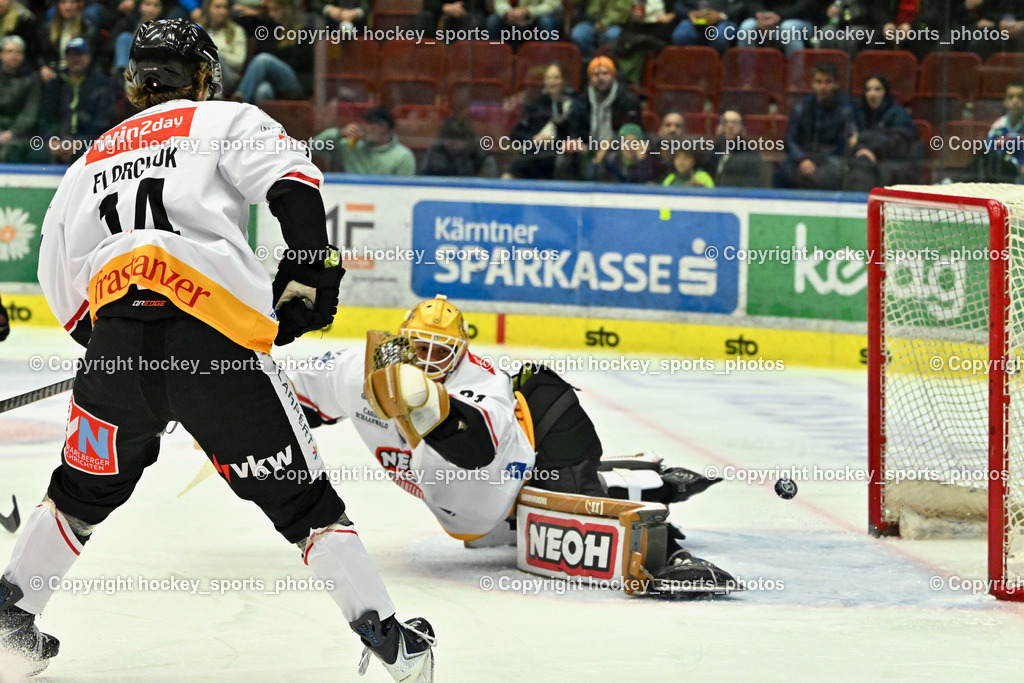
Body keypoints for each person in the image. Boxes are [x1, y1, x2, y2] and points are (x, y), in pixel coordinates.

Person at [0, 19, 435, 682]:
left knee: (77, 492)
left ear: (134, 81)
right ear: (203, 75)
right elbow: (294, 182)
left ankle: (10, 622)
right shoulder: (226, 119)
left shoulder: (88, 161)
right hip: (216, 346)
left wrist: (126, 351)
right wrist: (310, 268)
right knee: (304, 505)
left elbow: (62, 285)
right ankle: (393, 643)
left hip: (115, 351)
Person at [288, 295, 735, 597]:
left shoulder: (483, 381)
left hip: (502, 480)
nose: (428, 361)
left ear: (461, 353)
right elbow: (289, 399)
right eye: (419, 349)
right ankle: (632, 482)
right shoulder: (357, 371)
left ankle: (658, 541)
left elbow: (476, 445)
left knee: (541, 389)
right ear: (402, 344)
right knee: (550, 462)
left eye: (441, 352)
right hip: (477, 515)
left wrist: (423, 404)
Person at [775, 61, 857, 190]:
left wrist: (821, 160)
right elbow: (790, 140)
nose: (823, 87)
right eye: (819, 82)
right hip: (803, 156)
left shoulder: (846, 108)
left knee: (827, 176)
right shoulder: (802, 107)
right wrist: (802, 159)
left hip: (832, 159)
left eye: (828, 82)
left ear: (836, 84)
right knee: (783, 173)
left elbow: (848, 141)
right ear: (812, 84)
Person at [37, 37, 118, 164]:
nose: (75, 59)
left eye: (79, 54)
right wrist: (52, 139)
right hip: (58, 141)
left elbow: (105, 119)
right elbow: (45, 116)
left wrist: (81, 142)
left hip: (91, 142)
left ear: (88, 56)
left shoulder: (103, 84)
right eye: (71, 55)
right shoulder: (56, 83)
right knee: (37, 151)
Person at [506, 61, 589, 180]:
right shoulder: (535, 105)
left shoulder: (575, 106)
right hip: (536, 153)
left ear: (564, 81)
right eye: (549, 78)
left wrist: (576, 143)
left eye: (556, 78)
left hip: (564, 155)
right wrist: (534, 139)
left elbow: (583, 134)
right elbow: (517, 133)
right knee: (532, 152)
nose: (552, 82)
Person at [846, 75, 922, 191]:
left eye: (877, 89)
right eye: (868, 90)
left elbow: (899, 140)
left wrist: (870, 147)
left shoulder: (898, 114)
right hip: (861, 160)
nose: (872, 94)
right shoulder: (858, 114)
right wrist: (862, 150)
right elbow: (850, 139)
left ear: (885, 92)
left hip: (891, 160)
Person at [314, 106, 416, 176]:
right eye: (365, 123)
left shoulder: (402, 156)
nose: (365, 128)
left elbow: (405, 190)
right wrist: (339, 134)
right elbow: (313, 147)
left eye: (371, 123)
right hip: (350, 197)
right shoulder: (351, 147)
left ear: (384, 127)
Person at [0, 35, 41, 163]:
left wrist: (12, 132)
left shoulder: (33, 79)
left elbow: (30, 112)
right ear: (1, 54)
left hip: (21, 135)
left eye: (18, 52)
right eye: (9, 51)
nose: (14, 55)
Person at [973, 82, 1024, 183]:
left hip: (1019, 173)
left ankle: (951, 181)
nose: (1015, 101)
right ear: (1005, 101)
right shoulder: (998, 125)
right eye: (1011, 97)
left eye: (1020, 97)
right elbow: (988, 152)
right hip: (1000, 171)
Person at [419, 114, 498, 178]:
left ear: (468, 139)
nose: (451, 143)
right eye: (447, 138)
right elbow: (424, 180)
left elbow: (486, 186)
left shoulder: (482, 156)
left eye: (457, 139)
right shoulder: (435, 153)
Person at [197, 0, 246, 96]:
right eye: (217, 7)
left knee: (214, 55)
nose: (222, 11)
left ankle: (215, 94)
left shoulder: (236, 31)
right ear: (208, 8)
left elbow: (239, 61)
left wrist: (219, 54)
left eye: (225, 7)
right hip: (201, 75)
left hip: (229, 77)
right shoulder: (198, 29)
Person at [712, 108, 770, 187]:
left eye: (735, 123)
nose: (730, 126)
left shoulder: (751, 158)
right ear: (717, 129)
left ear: (743, 130)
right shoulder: (710, 154)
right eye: (725, 122)